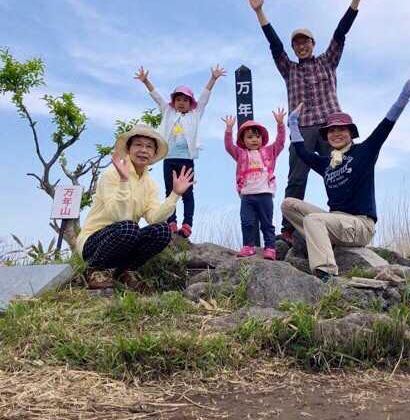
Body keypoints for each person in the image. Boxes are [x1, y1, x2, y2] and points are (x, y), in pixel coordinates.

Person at [246, 0, 370, 243]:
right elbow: (275, 46)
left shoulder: (327, 61)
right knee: (297, 177)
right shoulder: (289, 69)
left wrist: (356, 0)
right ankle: (288, 229)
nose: (301, 47)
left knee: (339, 173)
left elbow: (340, 34)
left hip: (330, 128)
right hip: (301, 130)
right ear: (294, 48)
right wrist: (260, 13)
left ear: (313, 44)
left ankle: (343, 221)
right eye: (297, 44)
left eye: (306, 42)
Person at [282, 72, 410, 281]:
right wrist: (293, 123)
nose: (336, 134)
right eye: (331, 131)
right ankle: (323, 241)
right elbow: (303, 153)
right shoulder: (328, 162)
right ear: (327, 137)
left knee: (313, 220)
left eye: (341, 129)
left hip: (360, 225)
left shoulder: (365, 151)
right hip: (336, 221)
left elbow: (387, 124)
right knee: (288, 204)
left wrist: (406, 94)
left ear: (351, 133)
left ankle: (326, 273)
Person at [76, 124, 194, 290]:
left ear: (154, 153)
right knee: (129, 227)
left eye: (149, 146)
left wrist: (175, 194)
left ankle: (124, 271)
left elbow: (154, 218)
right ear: (129, 149)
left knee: (163, 230)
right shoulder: (111, 174)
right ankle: (94, 270)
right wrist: (124, 181)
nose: (143, 150)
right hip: (93, 243)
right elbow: (118, 216)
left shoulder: (150, 184)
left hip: (125, 239)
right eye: (138, 145)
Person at [135, 64, 226, 238]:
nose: (181, 103)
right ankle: (171, 222)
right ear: (174, 102)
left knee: (187, 193)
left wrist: (213, 79)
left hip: (186, 160)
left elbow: (204, 97)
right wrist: (146, 81)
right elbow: (157, 97)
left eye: (185, 100)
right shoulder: (168, 112)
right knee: (170, 192)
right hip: (169, 159)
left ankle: (187, 224)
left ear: (190, 103)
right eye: (178, 100)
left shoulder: (195, 114)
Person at [223, 109, 286, 260]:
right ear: (243, 140)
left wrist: (280, 125)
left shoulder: (269, 151)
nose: (254, 140)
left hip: (265, 194)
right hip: (247, 195)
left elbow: (280, 142)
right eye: (250, 137)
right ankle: (248, 246)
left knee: (266, 223)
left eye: (257, 136)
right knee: (247, 222)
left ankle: (270, 248)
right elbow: (229, 146)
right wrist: (229, 130)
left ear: (262, 138)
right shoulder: (240, 154)